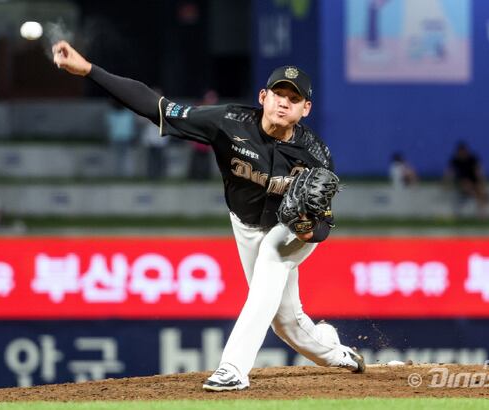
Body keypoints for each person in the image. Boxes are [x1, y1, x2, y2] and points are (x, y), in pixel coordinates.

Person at [52, 40, 365, 392]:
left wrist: (308, 229)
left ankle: (233, 368)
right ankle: (336, 352)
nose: (283, 102)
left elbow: (322, 226)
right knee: (286, 323)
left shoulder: (315, 155)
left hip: (288, 228)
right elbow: (156, 107)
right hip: (245, 224)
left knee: (271, 259)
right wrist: (89, 70)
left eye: (294, 98)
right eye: (278, 94)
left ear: (305, 108)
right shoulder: (228, 122)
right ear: (263, 97)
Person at [444, 141, 488, 217]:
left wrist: (482, 183)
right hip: (461, 182)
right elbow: (449, 173)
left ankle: (482, 212)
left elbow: (478, 172)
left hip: (473, 181)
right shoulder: (455, 160)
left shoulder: (472, 159)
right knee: (467, 184)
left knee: (479, 189)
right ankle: (477, 196)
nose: (462, 153)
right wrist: (446, 184)